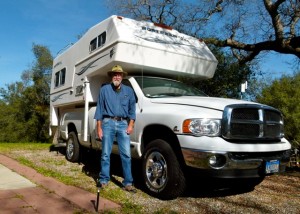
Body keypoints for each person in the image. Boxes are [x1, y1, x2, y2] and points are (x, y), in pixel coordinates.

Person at [94, 65, 137, 192]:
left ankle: (128, 183)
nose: (117, 76)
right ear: (111, 76)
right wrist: (99, 128)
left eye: (119, 74)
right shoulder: (104, 90)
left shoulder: (129, 91)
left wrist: (131, 125)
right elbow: (99, 109)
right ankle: (103, 180)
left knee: (126, 155)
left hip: (123, 123)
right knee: (105, 154)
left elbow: (132, 110)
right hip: (108, 123)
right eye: (114, 74)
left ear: (122, 76)